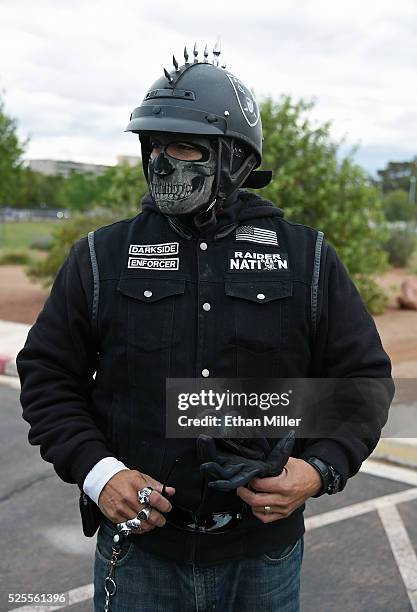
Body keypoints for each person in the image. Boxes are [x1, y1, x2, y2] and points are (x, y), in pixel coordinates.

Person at [17, 42, 394, 612]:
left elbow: (362, 381)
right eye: (153, 145)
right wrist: (100, 474)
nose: (163, 161)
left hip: (263, 558)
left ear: (235, 158)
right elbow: (48, 375)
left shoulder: (306, 259)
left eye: (185, 146)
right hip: (140, 556)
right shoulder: (101, 257)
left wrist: (318, 470)